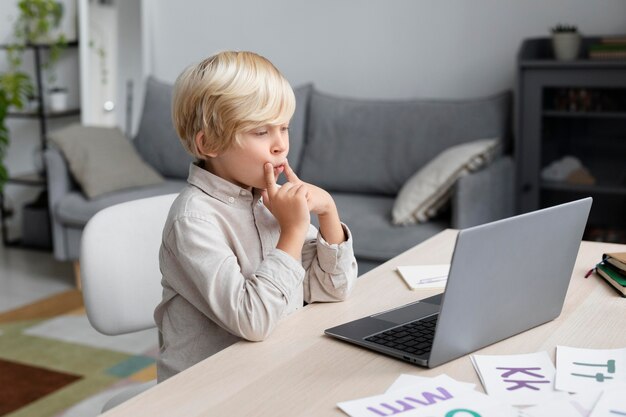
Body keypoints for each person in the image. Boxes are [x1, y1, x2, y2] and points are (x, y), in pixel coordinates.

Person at [154, 51, 358, 382]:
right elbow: (253, 320)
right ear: (210, 144)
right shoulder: (194, 220)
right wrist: (293, 231)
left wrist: (328, 213)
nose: (281, 146)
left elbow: (332, 289)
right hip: (207, 389)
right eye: (261, 132)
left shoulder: (267, 199)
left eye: (284, 128)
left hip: (274, 368)